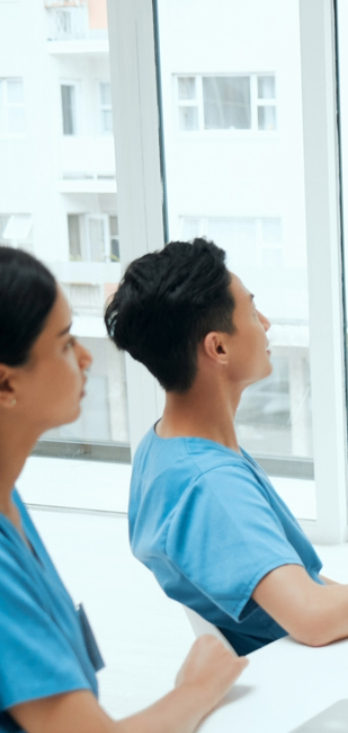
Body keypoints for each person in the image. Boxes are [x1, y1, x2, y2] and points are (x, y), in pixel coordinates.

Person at [104, 239, 348, 655]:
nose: (265, 322)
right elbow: (311, 616)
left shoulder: (163, 448)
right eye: (250, 310)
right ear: (218, 347)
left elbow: (298, 587)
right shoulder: (210, 484)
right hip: (309, 671)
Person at [0, 247, 245, 732]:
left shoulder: (12, 503)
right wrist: (197, 689)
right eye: (66, 343)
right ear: (6, 384)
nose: (88, 357)